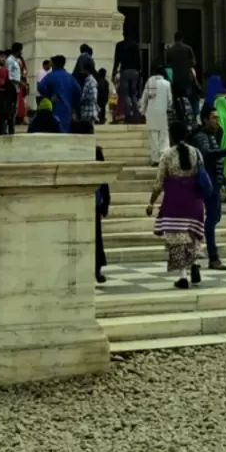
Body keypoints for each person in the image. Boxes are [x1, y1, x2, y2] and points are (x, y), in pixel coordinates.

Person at [146, 124, 207, 289]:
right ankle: (194, 265)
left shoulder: (167, 155)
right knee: (192, 235)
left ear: (172, 136)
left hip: (175, 202)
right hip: (194, 201)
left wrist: (151, 202)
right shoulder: (196, 153)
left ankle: (183, 277)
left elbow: (158, 183)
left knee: (177, 239)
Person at [191, 106, 226, 270]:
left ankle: (203, 256)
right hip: (205, 183)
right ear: (205, 119)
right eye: (214, 118)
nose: (217, 121)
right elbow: (207, 154)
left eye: (217, 118)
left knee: (213, 218)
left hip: (213, 181)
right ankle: (210, 257)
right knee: (207, 220)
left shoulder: (211, 135)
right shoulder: (201, 136)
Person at [37, 54, 81, 133]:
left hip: (54, 107)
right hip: (68, 109)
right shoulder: (70, 77)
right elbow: (78, 91)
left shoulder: (51, 75)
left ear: (54, 64)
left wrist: (49, 95)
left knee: (54, 130)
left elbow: (40, 86)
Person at [140, 64, 172, 165]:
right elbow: (170, 100)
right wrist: (168, 108)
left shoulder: (150, 82)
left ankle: (155, 159)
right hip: (163, 113)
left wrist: (142, 110)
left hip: (151, 113)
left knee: (153, 137)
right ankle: (164, 157)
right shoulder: (167, 84)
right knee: (164, 136)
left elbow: (144, 97)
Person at [113, 30, 142, 123]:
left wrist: (114, 71)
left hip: (125, 70)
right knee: (133, 93)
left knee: (125, 93)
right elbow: (138, 59)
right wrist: (139, 71)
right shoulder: (135, 45)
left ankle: (128, 113)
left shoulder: (120, 45)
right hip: (135, 71)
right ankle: (135, 112)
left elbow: (117, 60)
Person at [166, 30, 196, 107]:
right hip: (186, 78)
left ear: (174, 39)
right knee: (188, 97)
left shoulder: (170, 51)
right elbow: (193, 63)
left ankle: (179, 115)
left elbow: (168, 67)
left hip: (175, 79)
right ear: (182, 38)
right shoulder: (188, 48)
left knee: (176, 98)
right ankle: (189, 114)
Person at [95, 144, 110, 284]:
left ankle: (97, 268)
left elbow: (103, 177)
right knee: (96, 236)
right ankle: (97, 269)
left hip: (95, 200)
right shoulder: (96, 150)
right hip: (95, 200)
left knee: (96, 237)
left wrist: (106, 201)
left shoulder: (96, 151)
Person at [2, 42, 24, 135]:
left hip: (15, 87)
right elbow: (9, 75)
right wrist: (19, 82)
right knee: (10, 109)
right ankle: (8, 128)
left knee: (13, 109)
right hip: (11, 87)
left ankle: (11, 127)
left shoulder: (16, 60)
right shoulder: (10, 61)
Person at [73, 62, 100, 134]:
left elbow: (93, 96)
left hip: (89, 111)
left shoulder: (91, 81)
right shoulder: (88, 81)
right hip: (86, 111)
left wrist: (82, 100)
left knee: (88, 131)